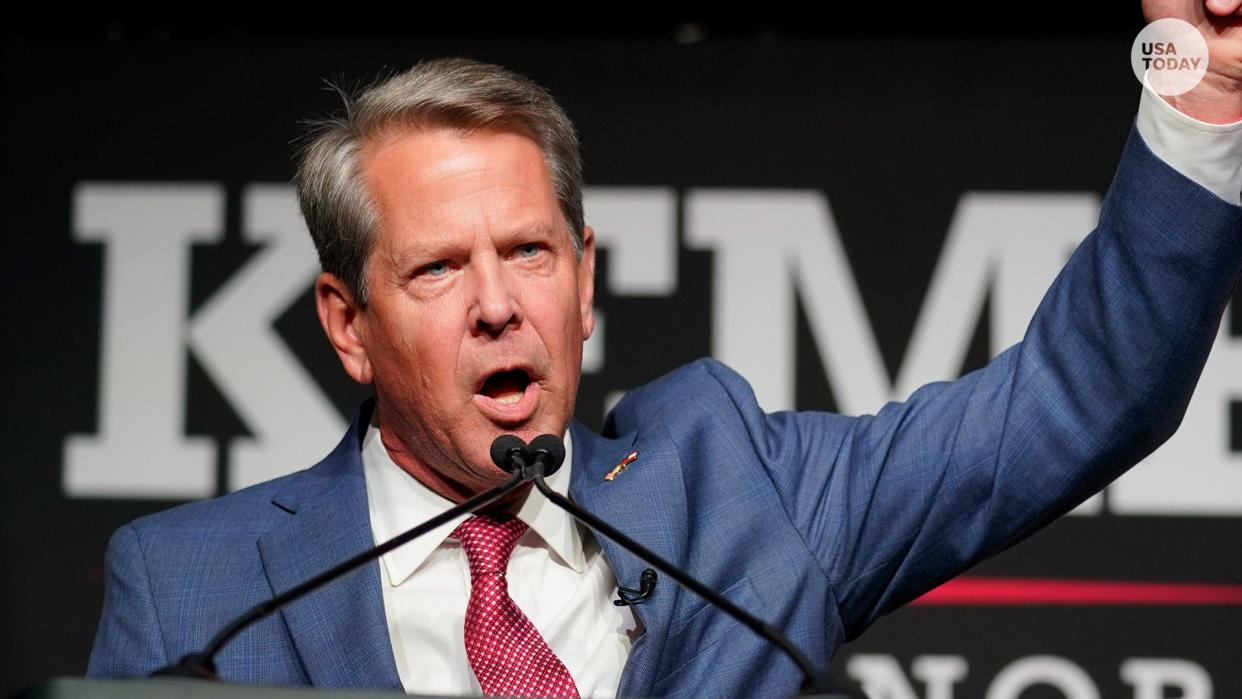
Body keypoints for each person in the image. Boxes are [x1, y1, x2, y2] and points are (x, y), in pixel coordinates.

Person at [87, 4, 1242, 697]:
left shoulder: (738, 495)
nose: (498, 306)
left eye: (531, 252)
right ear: (349, 323)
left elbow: (1084, 395)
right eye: (439, 269)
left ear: (585, 281)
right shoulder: (198, 584)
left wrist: (1207, 86)